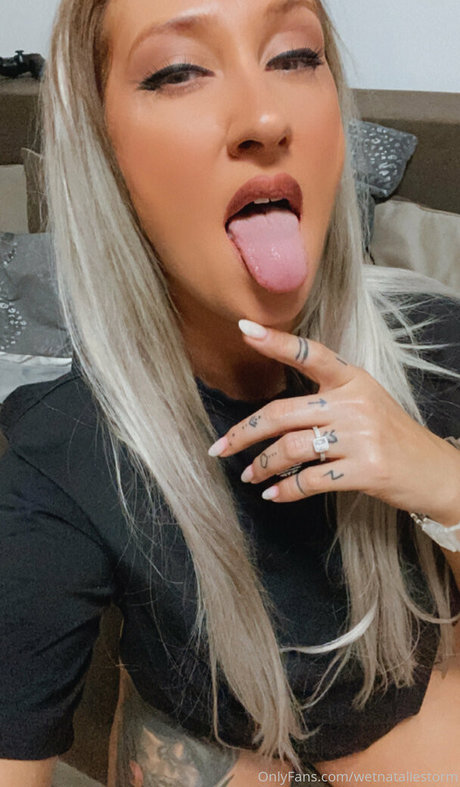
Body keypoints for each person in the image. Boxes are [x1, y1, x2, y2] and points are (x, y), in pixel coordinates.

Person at [0, 0, 459, 784]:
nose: (264, 116)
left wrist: (443, 481)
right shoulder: (63, 456)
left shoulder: (437, 343)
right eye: (179, 71)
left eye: (295, 57)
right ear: (103, 152)